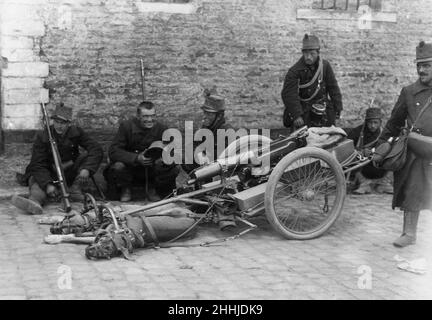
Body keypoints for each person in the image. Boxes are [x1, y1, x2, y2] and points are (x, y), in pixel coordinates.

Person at [374, 41, 432, 247]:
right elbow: (394, 122)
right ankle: (409, 233)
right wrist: (380, 146)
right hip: (415, 152)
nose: (422, 70)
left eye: (427, 65)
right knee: (412, 190)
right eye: (419, 65)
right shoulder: (409, 92)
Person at [11, 103, 103, 214]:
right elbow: (37, 163)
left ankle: (74, 189)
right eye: (56, 122)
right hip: (49, 172)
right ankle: (34, 202)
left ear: (69, 124)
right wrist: (48, 184)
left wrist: (87, 169)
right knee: (38, 188)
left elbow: (96, 149)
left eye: (63, 123)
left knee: (85, 156)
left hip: (69, 172)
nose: (59, 126)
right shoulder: (43, 136)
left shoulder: (77, 132)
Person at [104, 100, 178, 202]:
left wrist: (162, 158)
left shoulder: (161, 129)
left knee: (171, 166)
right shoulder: (126, 127)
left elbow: (172, 151)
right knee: (118, 166)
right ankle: (126, 189)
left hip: (152, 167)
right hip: (131, 167)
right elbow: (114, 151)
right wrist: (136, 158)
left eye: (152, 116)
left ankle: (152, 189)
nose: (150, 119)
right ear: (138, 116)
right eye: (145, 116)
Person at [281, 34, 343, 130]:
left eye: (312, 53)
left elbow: (333, 88)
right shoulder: (295, 71)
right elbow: (289, 94)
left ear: (318, 53)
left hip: (323, 110)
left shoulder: (325, 66)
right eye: (305, 53)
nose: (308, 57)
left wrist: (338, 107)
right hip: (304, 112)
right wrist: (296, 115)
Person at [345, 107, 393, 194]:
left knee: (395, 155)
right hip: (362, 165)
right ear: (366, 122)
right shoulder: (358, 132)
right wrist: (361, 151)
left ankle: (384, 184)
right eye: (370, 122)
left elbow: (390, 146)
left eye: (375, 122)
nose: (373, 125)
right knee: (354, 156)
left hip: (379, 164)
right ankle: (363, 184)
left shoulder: (385, 133)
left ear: (380, 123)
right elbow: (347, 147)